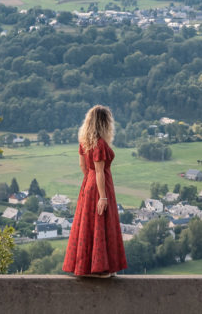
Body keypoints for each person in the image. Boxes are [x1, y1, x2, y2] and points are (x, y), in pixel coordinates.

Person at [63, 105, 127, 277]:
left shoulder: (85, 142)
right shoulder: (99, 144)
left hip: (88, 184)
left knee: (87, 226)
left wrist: (89, 183)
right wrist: (103, 197)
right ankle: (100, 269)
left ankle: (89, 267)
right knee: (101, 225)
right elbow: (100, 171)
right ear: (104, 123)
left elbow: (83, 166)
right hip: (101, 186)